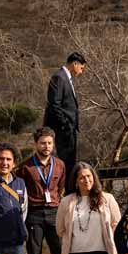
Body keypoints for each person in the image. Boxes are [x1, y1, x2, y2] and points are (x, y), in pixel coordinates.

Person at [56, 162, 121, 254]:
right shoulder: (66, 202)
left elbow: (117, 224)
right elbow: (60, 229)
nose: (86, 180)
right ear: (76, 181)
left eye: (89, 176)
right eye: (81, 177)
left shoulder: (107, 199)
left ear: (94, 177)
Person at [17, 127, 66, 254]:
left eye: (50, 143)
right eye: (43, 143)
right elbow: (20, 189)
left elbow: (61, 188)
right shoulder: (25, 166)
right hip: (34, 213)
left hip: (54, 212)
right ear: (36, 144)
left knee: (58, 252)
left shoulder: (60, 164)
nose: (47, 146)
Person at [43, 52, 86, 191]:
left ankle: (70, 191)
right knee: (65, 164)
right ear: (75, 64)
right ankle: (67, 194)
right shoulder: (59, 77)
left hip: (68, 130)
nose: (82, 71)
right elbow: (54, 104)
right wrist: (66, 125)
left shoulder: (66, 78)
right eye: (82, 67)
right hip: (62, 130)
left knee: (70, 164)